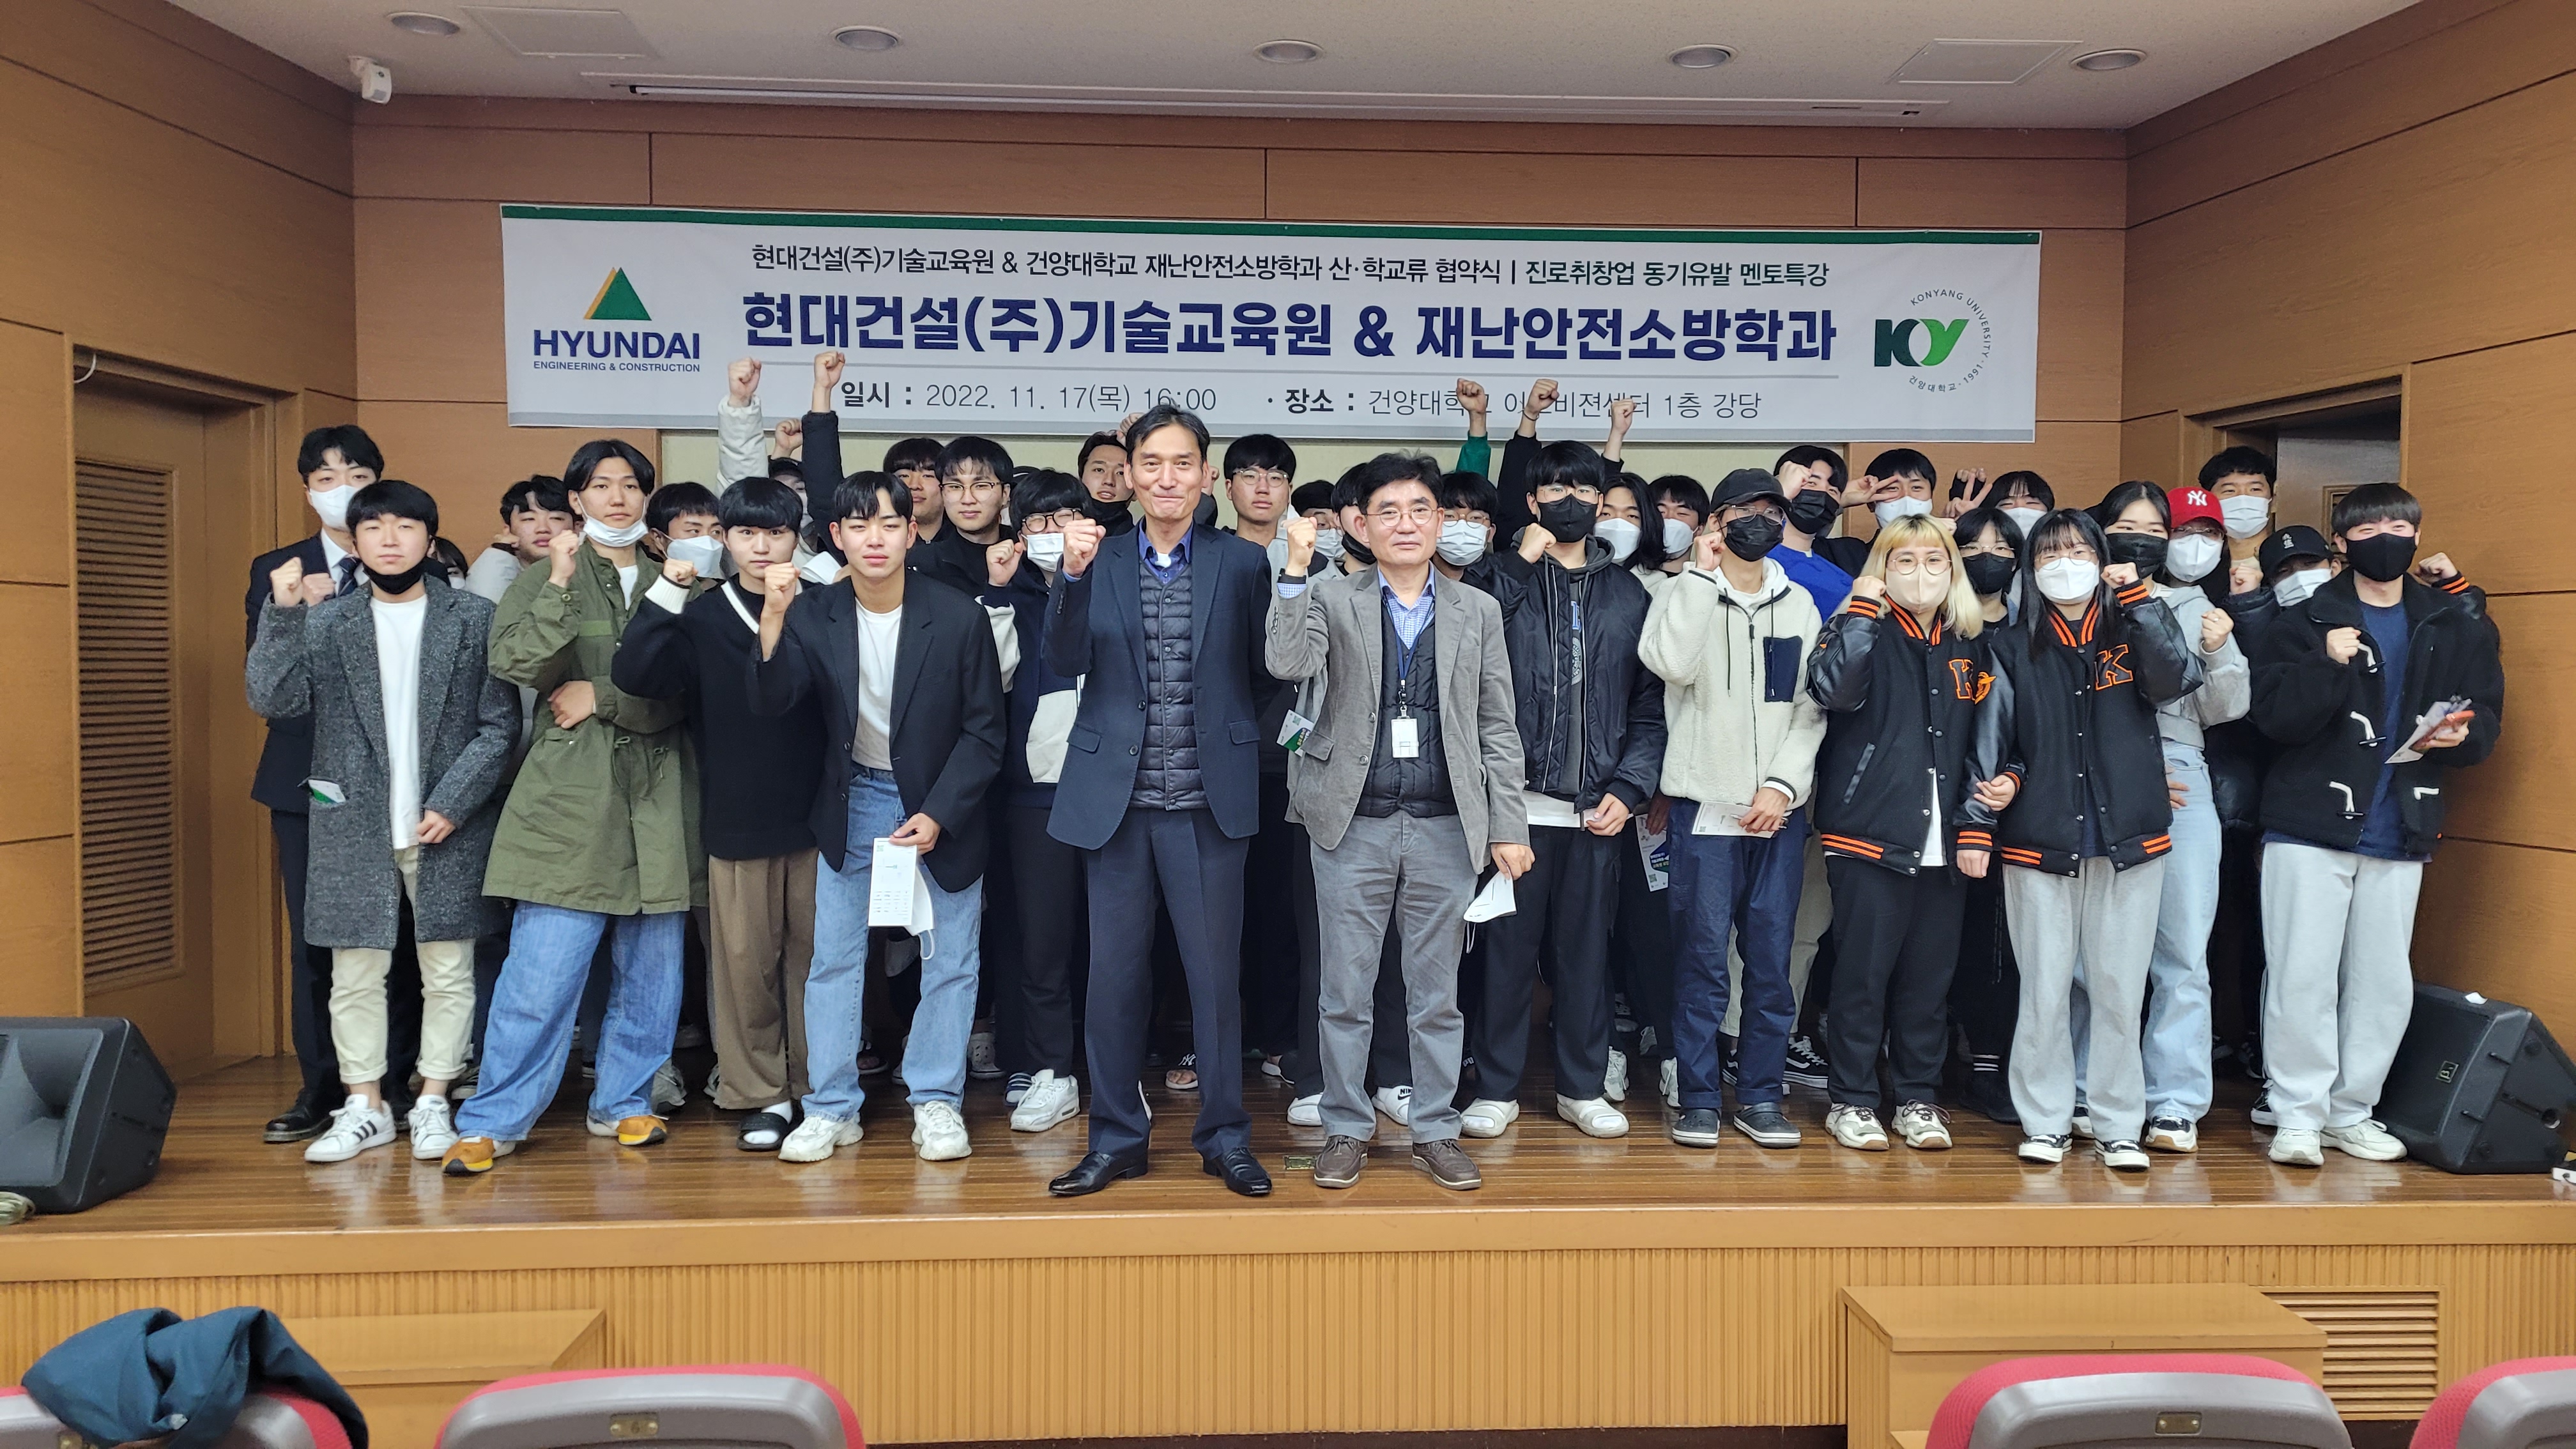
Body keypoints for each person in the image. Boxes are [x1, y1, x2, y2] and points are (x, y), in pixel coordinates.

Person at [1267, 454, 1531, 1190]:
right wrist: (1294, 571)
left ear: (1440, 521)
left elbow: (1498, 725)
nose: (1406, 523)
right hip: (1352, 822)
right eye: (1388, 511)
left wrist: (1509, 825)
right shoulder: (1330, 595)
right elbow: (1286, 663)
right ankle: (1346, 1128)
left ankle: (1436, 1130)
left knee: (1436, 995)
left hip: (1447, 824)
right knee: (1345, 992)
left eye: (1420, 509)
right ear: (1360, 524)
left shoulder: (1477, 610)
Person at [443, 439, 703, 1176]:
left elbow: (689, 691)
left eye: (631, 486)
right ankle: (495, 1118)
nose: (618, 498)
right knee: (541, 974)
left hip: (661, 792)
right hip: (569, 797)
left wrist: (602, 696)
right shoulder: (543, 576)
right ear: (578, 499)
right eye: (601, 486)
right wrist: (558, 581)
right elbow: (516, 663)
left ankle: (624, 1102)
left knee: (653, 973)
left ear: (647, 498)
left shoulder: (681, 580)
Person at [1041, 406, 1276, 1199]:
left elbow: (1266, 675)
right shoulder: (1097, 558)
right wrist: (1070, 578)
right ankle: (1116, 1139)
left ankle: (1224, 1137)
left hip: (1209, 805)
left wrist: (1234, 739)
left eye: (1182, 464)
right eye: (1151, 463)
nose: (1167, 478)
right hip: (1117, 805)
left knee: (1214, 983)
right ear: (1130, 476)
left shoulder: (1241, 563)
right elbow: (1061, 658)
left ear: (1206, 476)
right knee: (1113, 982)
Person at [246, 480, 517, 1163]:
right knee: (354, 973)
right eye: (374, 528)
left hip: (445, 822)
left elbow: (498, 726)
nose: (389, 540)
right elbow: (273, 698)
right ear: (356, 542)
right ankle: (364, 1105)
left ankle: (433, 1101)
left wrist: (453, 802)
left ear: (430, 538)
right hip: (352, 819)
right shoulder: (328, 620)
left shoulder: (474, 618)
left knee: (447, 971)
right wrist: (283, 613)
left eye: (405, 527)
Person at [746, 468, 1006, 1164]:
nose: (875, 539)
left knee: (950, 959)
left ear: (912, 532)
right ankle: (831, 1107)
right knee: (834, 959)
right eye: (859, 526)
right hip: (854, 797)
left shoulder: (958, 615)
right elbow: (772, 705)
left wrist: (940, 812)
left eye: (890, 524)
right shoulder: (814, 613)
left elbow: (986, 731)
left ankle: (936, 1100)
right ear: (836, 535)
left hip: (942, 800)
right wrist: (772, 617)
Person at [2249, 483, 2501, 1166]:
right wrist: (2325, 664)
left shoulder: (2448, 621)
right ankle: (2298, 1113)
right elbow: (2274, 719)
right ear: (2342, 542)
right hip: (2309, 823)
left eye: (2397, 526)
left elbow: (2487, 713)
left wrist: (2465, 735)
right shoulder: (2302, 619)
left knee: (2383, 983)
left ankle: (2351, 1111)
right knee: (2302, 977)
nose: (2384, 539)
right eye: (2366, 530)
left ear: (2417, 535)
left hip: (2402, 821)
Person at [1955, 507, 2201, 1172]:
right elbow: (1991, 741)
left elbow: (2176, 680)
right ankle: (2045, 1121)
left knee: (2119, 989)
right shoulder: (2011, 647)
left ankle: (2119, 1124)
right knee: (2044, 989)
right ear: (2031, 570)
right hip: (2040, 839)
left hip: (2131, 837)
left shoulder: (2133, 625)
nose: (2065, 565)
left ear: (2101, 560)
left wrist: (2140, 601)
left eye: (2079, 552)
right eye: (2049, 554)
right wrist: (1978, 823)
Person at [610, 477, 826, 1151]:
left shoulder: (824, 606)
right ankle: (761, 1094)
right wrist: (669, 589)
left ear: (796, 538)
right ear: (725, 540)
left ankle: (817, 1089)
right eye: (746, 533)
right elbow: (635, 676)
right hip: (737, 813)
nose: (762, 547)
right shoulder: (701, 615)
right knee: (744, 968)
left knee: (817, 966)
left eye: (776, 533)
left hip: (823, 815)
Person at [1467, 442, 1664, 1139]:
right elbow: (1466, 649)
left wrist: (1632, 786)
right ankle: (1496, 1088)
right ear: (1532, 502)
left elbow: (1650, 706)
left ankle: (1582, 1088)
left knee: (1586, 958)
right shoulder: (1496, 578)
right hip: (1511, 809)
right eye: (1555, 489)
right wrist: (1520, 563)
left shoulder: (1629, 594)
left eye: (1584, 490)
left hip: (1596, 811)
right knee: (1505, 957)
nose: (1571, 501)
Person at [1638, 468, 1828, 1149]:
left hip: (1776, 814)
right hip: (1704, 810)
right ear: (1717, 523)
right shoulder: (1679, 592)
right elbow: (1670, 664)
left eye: (1771, 513)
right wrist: (1700, 576)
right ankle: (1696, 1097)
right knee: (1701, 960)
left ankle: (1760, 1095)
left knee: (1771, 963)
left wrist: (1782, 786)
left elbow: (1810, 709)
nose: (1760, 522)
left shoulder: (1799, 605)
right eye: (1744, 512)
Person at [1805, 515, 1998, 1153]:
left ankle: (1918, 1096)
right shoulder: (1858, 626)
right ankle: (1853, 1099)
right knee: (1862, 976)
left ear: (1953, 571)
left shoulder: (1970, 644)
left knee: (1928, 981)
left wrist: (1978, 823)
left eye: (1934, 561)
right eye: (1904, 561)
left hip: (1947, 840)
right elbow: (1834, 692)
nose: (1921, 574)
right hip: (1868, 832)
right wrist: (1862, 610)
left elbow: (1991, 741)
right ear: (1881, 570)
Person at [2074, 483, 2249, 1155]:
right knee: (2093, 953)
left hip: (2180, 772)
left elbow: (2225, 709)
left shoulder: (2194, 605)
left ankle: (2174, 1100)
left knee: (2182, 948)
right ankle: (2086, 1087)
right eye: (2128, 526)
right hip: (2094, 774)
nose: (2142, 540)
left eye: (2156, 530)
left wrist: (2222, 651)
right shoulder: (2073, 600)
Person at [245, 424, 388, 1144]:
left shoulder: (414, 554)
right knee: (316, 940)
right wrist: (303, 613)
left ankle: (397, 1082)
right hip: (309, 782)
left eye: (356, 475)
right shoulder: (278, 569)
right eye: (326, 478)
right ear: (308, 491)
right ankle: (321, 1086)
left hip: (396, 782)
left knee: (400, 936)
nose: (342, 490)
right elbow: (269, 688)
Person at [980, 471, 1091, 1131]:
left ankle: (1109, 1064)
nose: (1054, 533)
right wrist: (996, 593)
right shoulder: (1006, 595)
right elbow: (989, 679)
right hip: (1034, 795)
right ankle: (1048, 1066)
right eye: (1039, 523)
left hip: (1115, 791)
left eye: (1065, 517)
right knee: (1041, 940)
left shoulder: (1117, 586)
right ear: (1020, 533)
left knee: (1114, 942)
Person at [1944, 505, 2027, 1124]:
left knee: (1997, 941)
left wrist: (2014, 777)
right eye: (1973, 548)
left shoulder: (2031, 632)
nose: (1988, 558)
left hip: (2008, 802)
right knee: (1936, 937)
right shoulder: (1941, 628)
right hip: (1933, 799)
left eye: (2002, 548)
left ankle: (1987, 1062)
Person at [1771, 447, 1857, 616]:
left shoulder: (1844, 584)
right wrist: (1777, 496)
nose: (1822, 494)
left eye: (1833, 491)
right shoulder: (1750, 558)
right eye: (1811, 483)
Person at [464, 477, 574, 605]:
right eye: (529, 519)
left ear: (577, 527)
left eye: (556, 518)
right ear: (508, 531)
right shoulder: (495, 572)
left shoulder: (589, 570)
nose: (543, 529)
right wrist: (498, 554)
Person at [644, 482, 720, 567]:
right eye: (695, 531)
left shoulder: (722, 575)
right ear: (658, 538)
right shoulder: (640, 574)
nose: (707, 542)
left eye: (716, 532)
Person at [1075, 430, 1135, 534]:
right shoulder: (1056, 530)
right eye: (1099, 470)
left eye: (1121, 473)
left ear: (1136, 491)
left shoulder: (1144, 541)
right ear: (1081, 478)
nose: (1109, 481)